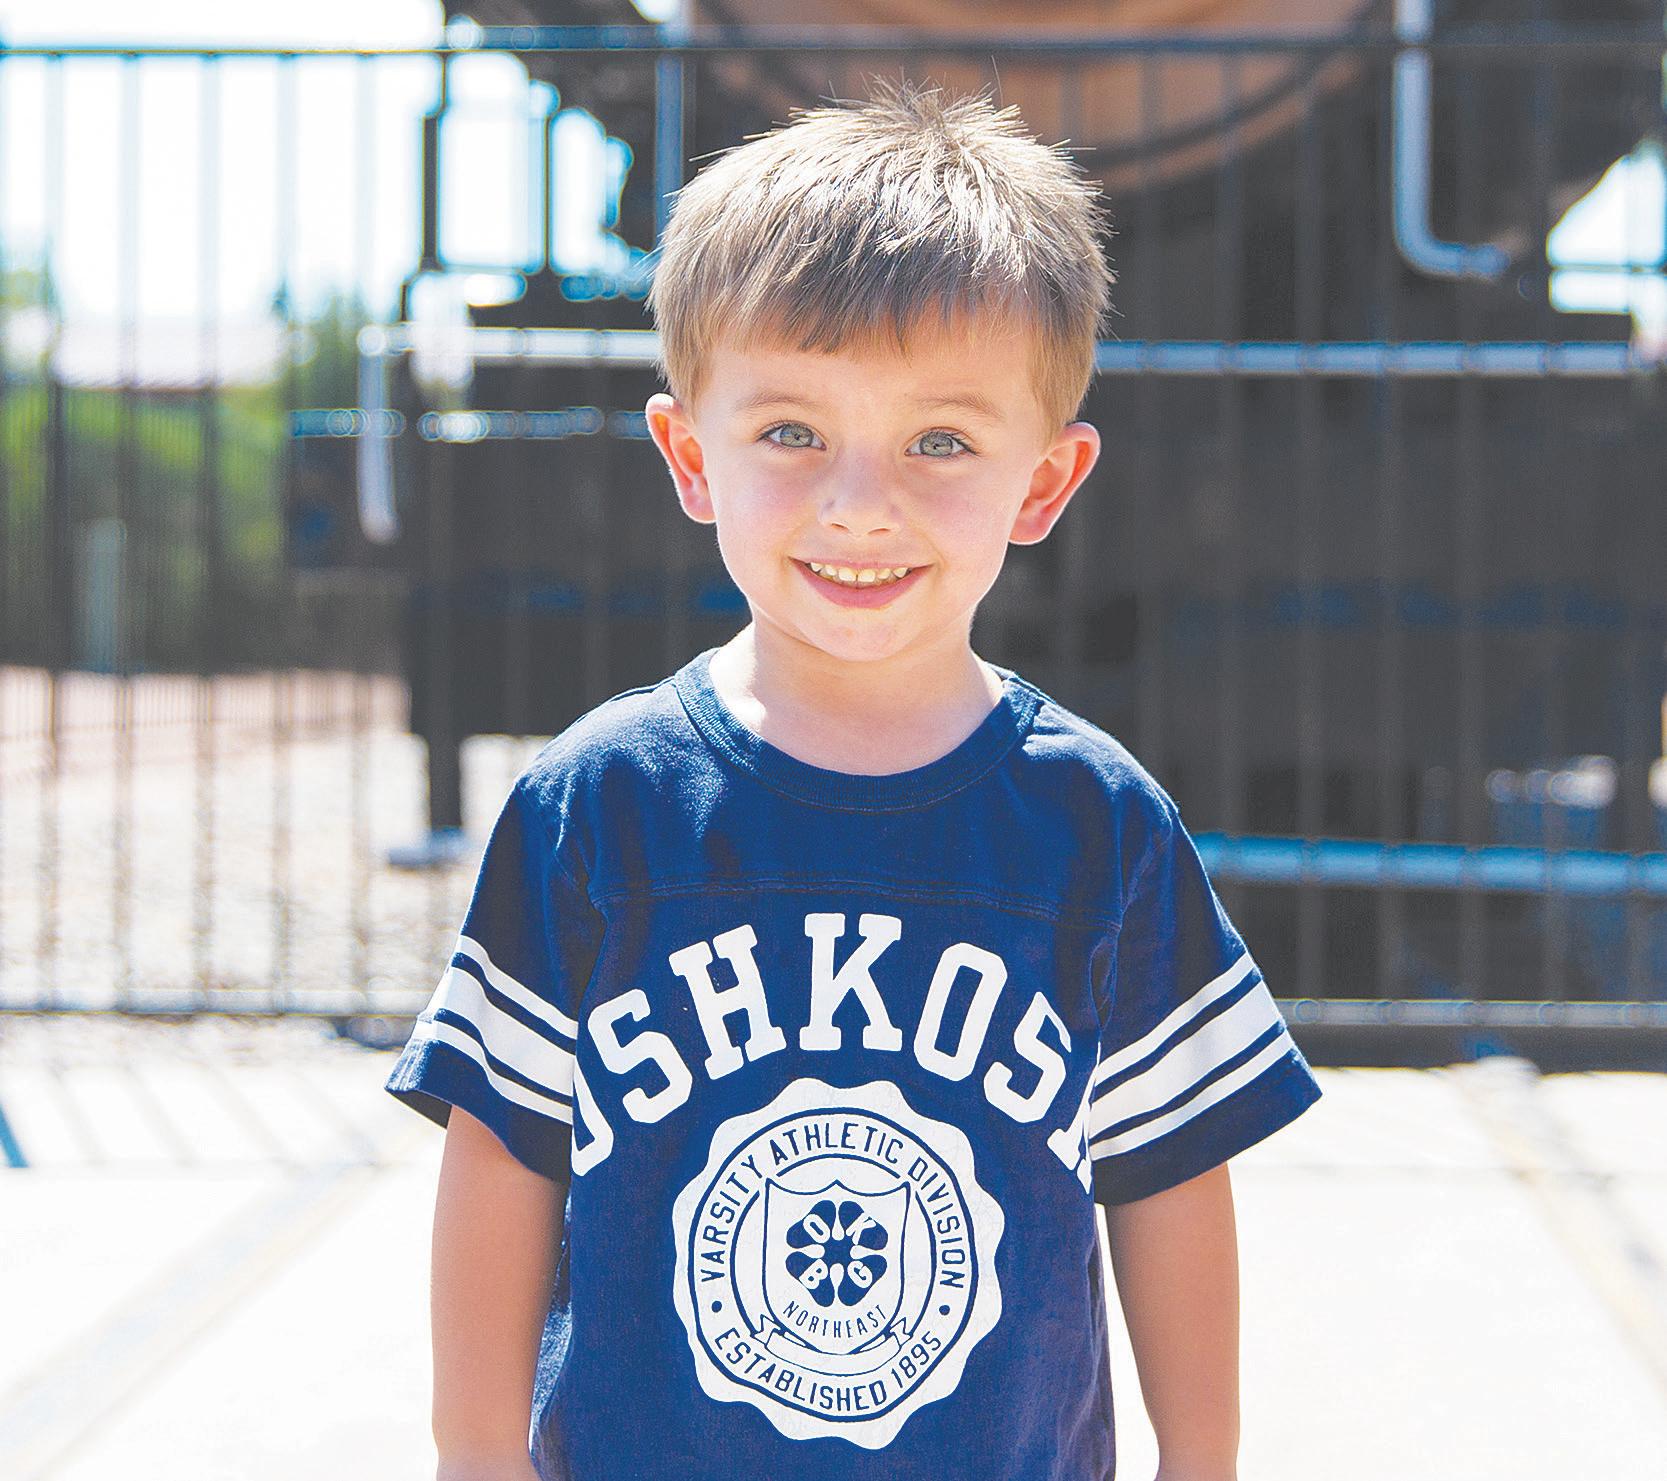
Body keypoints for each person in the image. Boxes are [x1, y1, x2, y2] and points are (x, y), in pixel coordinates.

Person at [385, 77, 1323, 1481]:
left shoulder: (1098, 823)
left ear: (1044, 482)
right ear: (691, 457)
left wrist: (1204, 1461)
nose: (860, 503)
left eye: (941, 441)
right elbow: (502, 1150)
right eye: (792, 433)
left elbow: (1171, 1171)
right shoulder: (598, 806)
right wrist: (476, 1451)